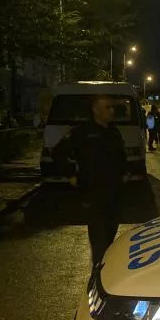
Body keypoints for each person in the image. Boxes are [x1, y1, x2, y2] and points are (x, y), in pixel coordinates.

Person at [52, 95, 127, 266]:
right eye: (107, 107)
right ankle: (97, 276)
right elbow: (58, 153)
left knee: (110, 242)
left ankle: (106, 274)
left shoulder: (113, 131)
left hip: (115, 194)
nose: (112, 111)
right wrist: (70, 175)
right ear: (95, 110)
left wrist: (125, 173)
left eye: (112, 107)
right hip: (93, 194)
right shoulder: (82, 132)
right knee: (99, 243)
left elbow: (121, 156)